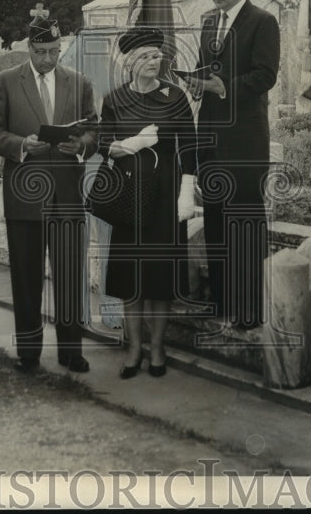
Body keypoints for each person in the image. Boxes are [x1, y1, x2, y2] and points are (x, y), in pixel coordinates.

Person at [0, 14, 98, 373]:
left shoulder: (78, 82)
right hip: (25, 196)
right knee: (26, 276)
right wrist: (20, 145)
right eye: (41, 52)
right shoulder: (4, 82)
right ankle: (29, 352)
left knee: (69, 275)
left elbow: (95, 129)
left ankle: (70, 350)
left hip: (67, 196)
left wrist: (80, 145)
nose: (48, 59)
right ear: (29, 49)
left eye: (54, 51)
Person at [181, 0, 280, 329]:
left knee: (246, 223)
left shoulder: (262, 21)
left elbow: (265, 75)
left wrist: (223, 88)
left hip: (245, 142)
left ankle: (250, 306)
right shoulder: (209, 23)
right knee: (218, 224)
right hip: (212, 139)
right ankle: (221, 300)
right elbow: (207, 70)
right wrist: (195, 82)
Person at [98, 28, 197, 378]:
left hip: (166, 196)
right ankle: (134, 347)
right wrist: (135, 143)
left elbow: (190, 148)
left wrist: (187, 193)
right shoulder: (114, 100)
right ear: (130, 62)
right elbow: (103, 145)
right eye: (146, 56)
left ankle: (157, 347)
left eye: (157, 55)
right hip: (129, 196)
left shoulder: (175, 96)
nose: (154, 62)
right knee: (131, 279)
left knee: (158, 277)